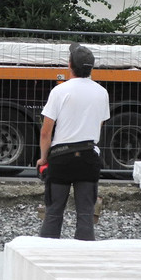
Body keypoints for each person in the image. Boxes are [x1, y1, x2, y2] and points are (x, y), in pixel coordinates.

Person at [35, 42, 111, 241]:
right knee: (86, 216)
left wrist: (43, 158)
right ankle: (84, 256)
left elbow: (46, 132)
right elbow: (99, 125)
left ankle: (47, 255)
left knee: (53, 213)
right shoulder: (102, 92)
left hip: (61, 159)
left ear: (69, 65)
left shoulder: (59, 91)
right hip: (88, 158)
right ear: (91, 68)